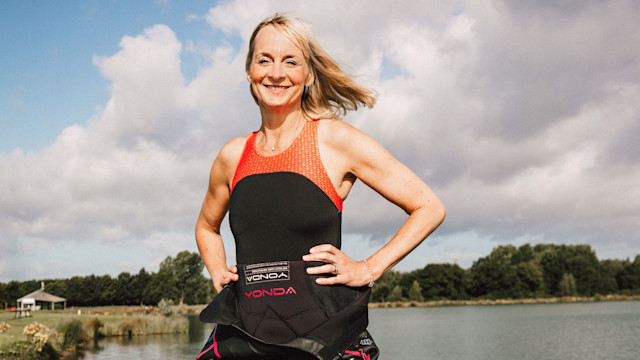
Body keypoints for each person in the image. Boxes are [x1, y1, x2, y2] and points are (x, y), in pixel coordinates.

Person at [195, 13, 445, 360]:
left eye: (290, 61)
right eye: (264, 60)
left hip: (323, 341)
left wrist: (369, 267)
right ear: (249, 70)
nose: (276, 73)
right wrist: (217, 272)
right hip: (244, 337)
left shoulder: (335, 140)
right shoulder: (232, 155)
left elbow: (429, 207)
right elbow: (207, 227)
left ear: (308, 74)